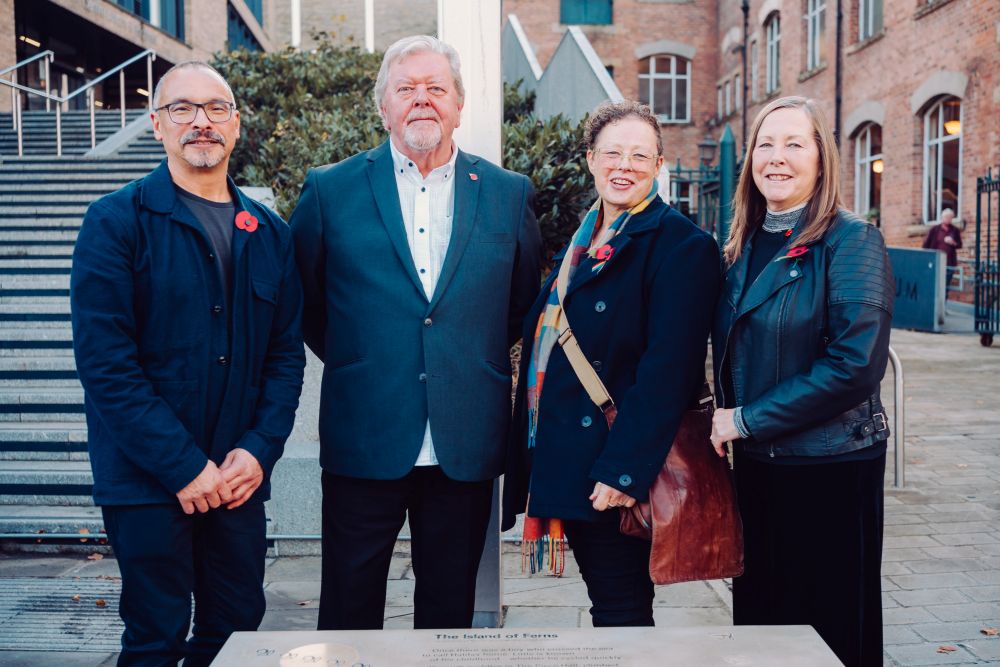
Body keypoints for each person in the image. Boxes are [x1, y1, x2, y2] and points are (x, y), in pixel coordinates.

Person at [289, 35, 541, 631]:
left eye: (435, 89)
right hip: (365, 432)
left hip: (464, 436)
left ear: (458, 105)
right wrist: (366, 358)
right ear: (383, 108)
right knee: (348, 607)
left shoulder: (508, 194)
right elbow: (305, 302)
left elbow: (519, 307)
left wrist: (459, 356)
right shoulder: (331, 189)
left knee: (448, 613)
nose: (421, 100)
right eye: (405, 89)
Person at [70, 61, 305, 666]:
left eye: (215, 108)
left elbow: (283, 359)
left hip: (235, 480)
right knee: (156, 635)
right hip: (146, 481)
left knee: (237, 632)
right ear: (156, 124)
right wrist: (182, 466)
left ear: (236, 124)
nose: (200, 122)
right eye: (182, 109)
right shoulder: (116, 222)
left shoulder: (271, 234)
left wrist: (257, 451)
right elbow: (106, 365)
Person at [501, 100, 722, 627]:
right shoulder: (584, 242)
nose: (625, 166)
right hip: (569, 456)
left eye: (640, 156)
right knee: (610, 600)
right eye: (613, 153)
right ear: (591, 160)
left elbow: (669, 373)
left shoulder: (681, 246)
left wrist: (624, 471)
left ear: (659, 167)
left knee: (621, 606)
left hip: (616, 466)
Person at [710, 96, 894, 667]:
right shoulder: (739, 245)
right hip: (758, 469)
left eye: (794, 143)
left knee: (827, 629)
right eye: (765, 143)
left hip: (829, 467)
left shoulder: (852, 241)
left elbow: (854, 366)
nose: (777, 157)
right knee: (763, 622)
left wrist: (744, 419)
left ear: (821, 158)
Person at [922, 207, 963, 285]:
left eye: (950, 217)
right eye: (946, 217)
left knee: (946, 285)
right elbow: (926, 245)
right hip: (936, 262)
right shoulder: (934, 230)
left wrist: (953, 243)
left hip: (949, 262)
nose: (948, 219)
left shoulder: (955, 230)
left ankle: (945, 297)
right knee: (935, 284)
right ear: (942, 218)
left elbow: (959, 245)